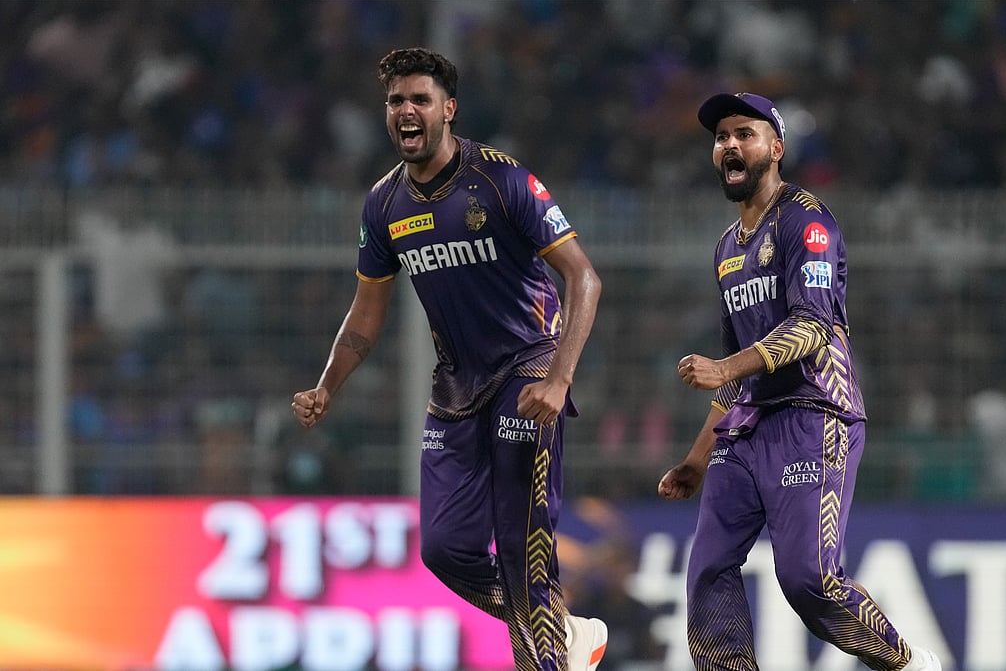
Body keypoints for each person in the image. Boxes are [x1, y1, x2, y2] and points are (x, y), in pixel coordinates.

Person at [292, 48, 606, 671]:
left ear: (449, 109)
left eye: (420, 100)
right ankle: (567, 631)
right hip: (457, 389)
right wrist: (328, 385)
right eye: (395, 101)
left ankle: (548, 656)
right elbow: (367, 310)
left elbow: (584, 278)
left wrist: (559, 377)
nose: (406, 111)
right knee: (443, 550)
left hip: (527, 372)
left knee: (519, 546)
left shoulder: (503, 180)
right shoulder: (384, 204)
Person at [657, 92, 942, 671]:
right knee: (708, 569)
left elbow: (811, 327)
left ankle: (907, 664)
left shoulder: (806, 221)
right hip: (746, 430)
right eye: (721, 137)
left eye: (745, 134)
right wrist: (696, 459)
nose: (730, 145)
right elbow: (734, 365)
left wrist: (725, 369)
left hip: (813, 414)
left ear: (776, 148)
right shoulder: (726, 248)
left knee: (808, 579)